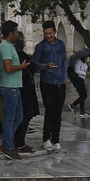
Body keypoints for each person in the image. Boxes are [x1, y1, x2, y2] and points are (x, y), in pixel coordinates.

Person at [0, 21, 31, 160]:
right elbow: (8, 68)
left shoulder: (9, 46)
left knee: (18, 116)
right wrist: (21, 67)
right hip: (8, 87)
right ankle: (8, 146)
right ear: (10, 34)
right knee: (10, 118)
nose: (18, 34)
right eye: (16, 32)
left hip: (15, 87)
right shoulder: (5, 47)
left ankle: (7, 142)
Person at [33, 20, 68, 152]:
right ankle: (46, 138)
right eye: (46, 33)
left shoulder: (61, 45)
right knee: (50, 110)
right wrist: (45, 66)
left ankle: (56, 139)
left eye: (50, 33)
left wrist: (65, 77)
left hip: (59, 80)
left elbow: (64, 61)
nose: (48, 36)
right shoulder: (41, 46)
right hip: (47, 81)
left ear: (54, 32)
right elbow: (35, 63)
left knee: (58, 111)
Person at [68, 49, 90, 118]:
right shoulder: (78, 61)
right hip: (78, 79)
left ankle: (75, 107)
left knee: (83, 95)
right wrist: (84, 73)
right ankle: (81, 111)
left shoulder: (84, 62)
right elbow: (77, 70)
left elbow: (84, 69)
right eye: (86, 56)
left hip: (81, 79)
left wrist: (86, 72)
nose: (87, 57)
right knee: (83, 95)